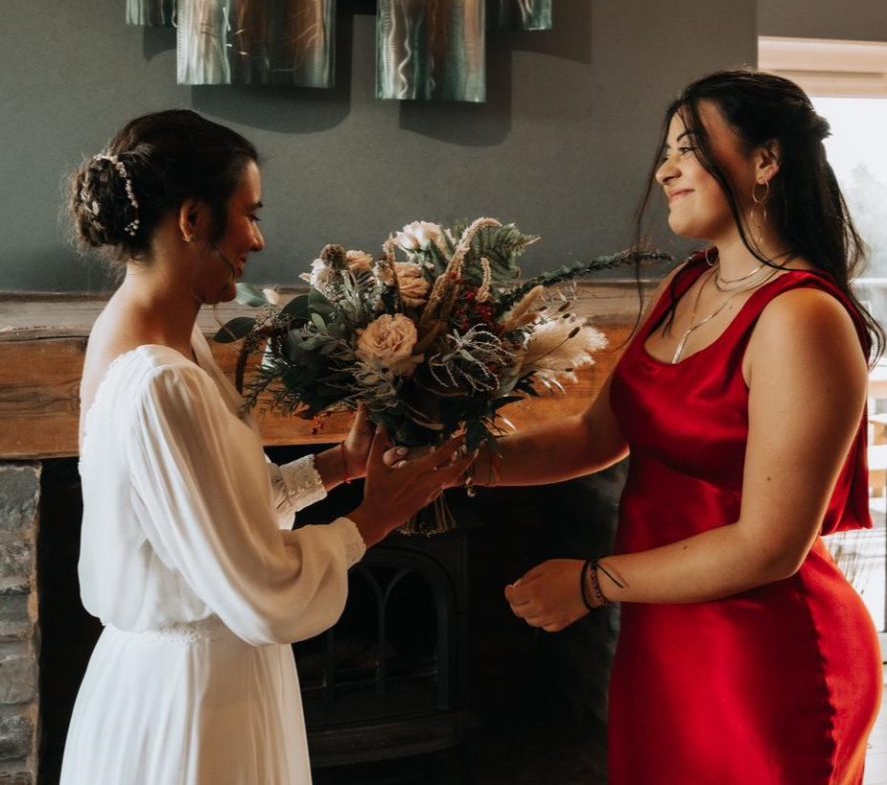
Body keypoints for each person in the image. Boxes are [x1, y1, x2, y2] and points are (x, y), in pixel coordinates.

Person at [472, 70, 884, 783]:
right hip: (660, 640)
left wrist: (591, 584)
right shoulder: (685, 286)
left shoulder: (801, 316)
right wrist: (453, 463)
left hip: (763, 657)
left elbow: (769, 548)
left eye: (687, 149)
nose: (663, 171)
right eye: (665, 152)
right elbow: (594, 437)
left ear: (765, 160)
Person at [60, 110, 468, 784]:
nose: (258, 237)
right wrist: (375, 518)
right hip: (192, 706)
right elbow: (257, 589)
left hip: (195, 679)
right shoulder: (161, 380)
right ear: (193, 218)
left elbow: (206, 523)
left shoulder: (156, 340)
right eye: (249, 214)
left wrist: (338, 466)